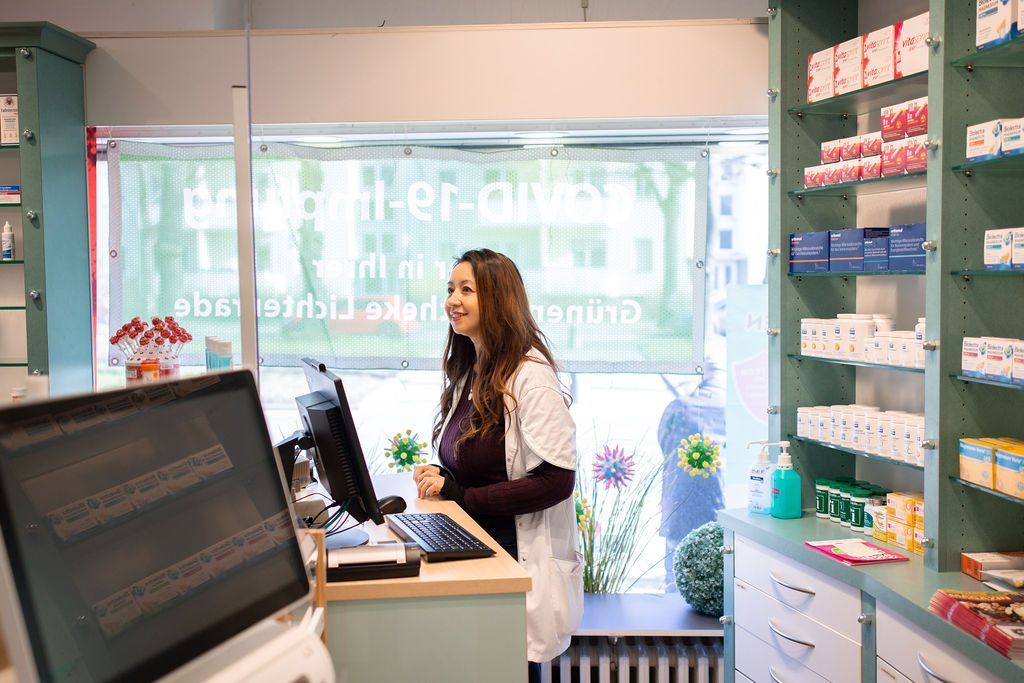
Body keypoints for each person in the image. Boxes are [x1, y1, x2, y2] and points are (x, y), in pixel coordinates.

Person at [413, 248, 583, 680]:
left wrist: (463, 497)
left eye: (466, 290)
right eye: (451, 289)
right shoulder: (474, 367)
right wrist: (444, 476)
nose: (453, 299)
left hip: (512, 566)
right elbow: (481, 464)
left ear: (498, 299)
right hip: (478, 554)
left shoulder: (530, 375)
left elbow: (555, 482)